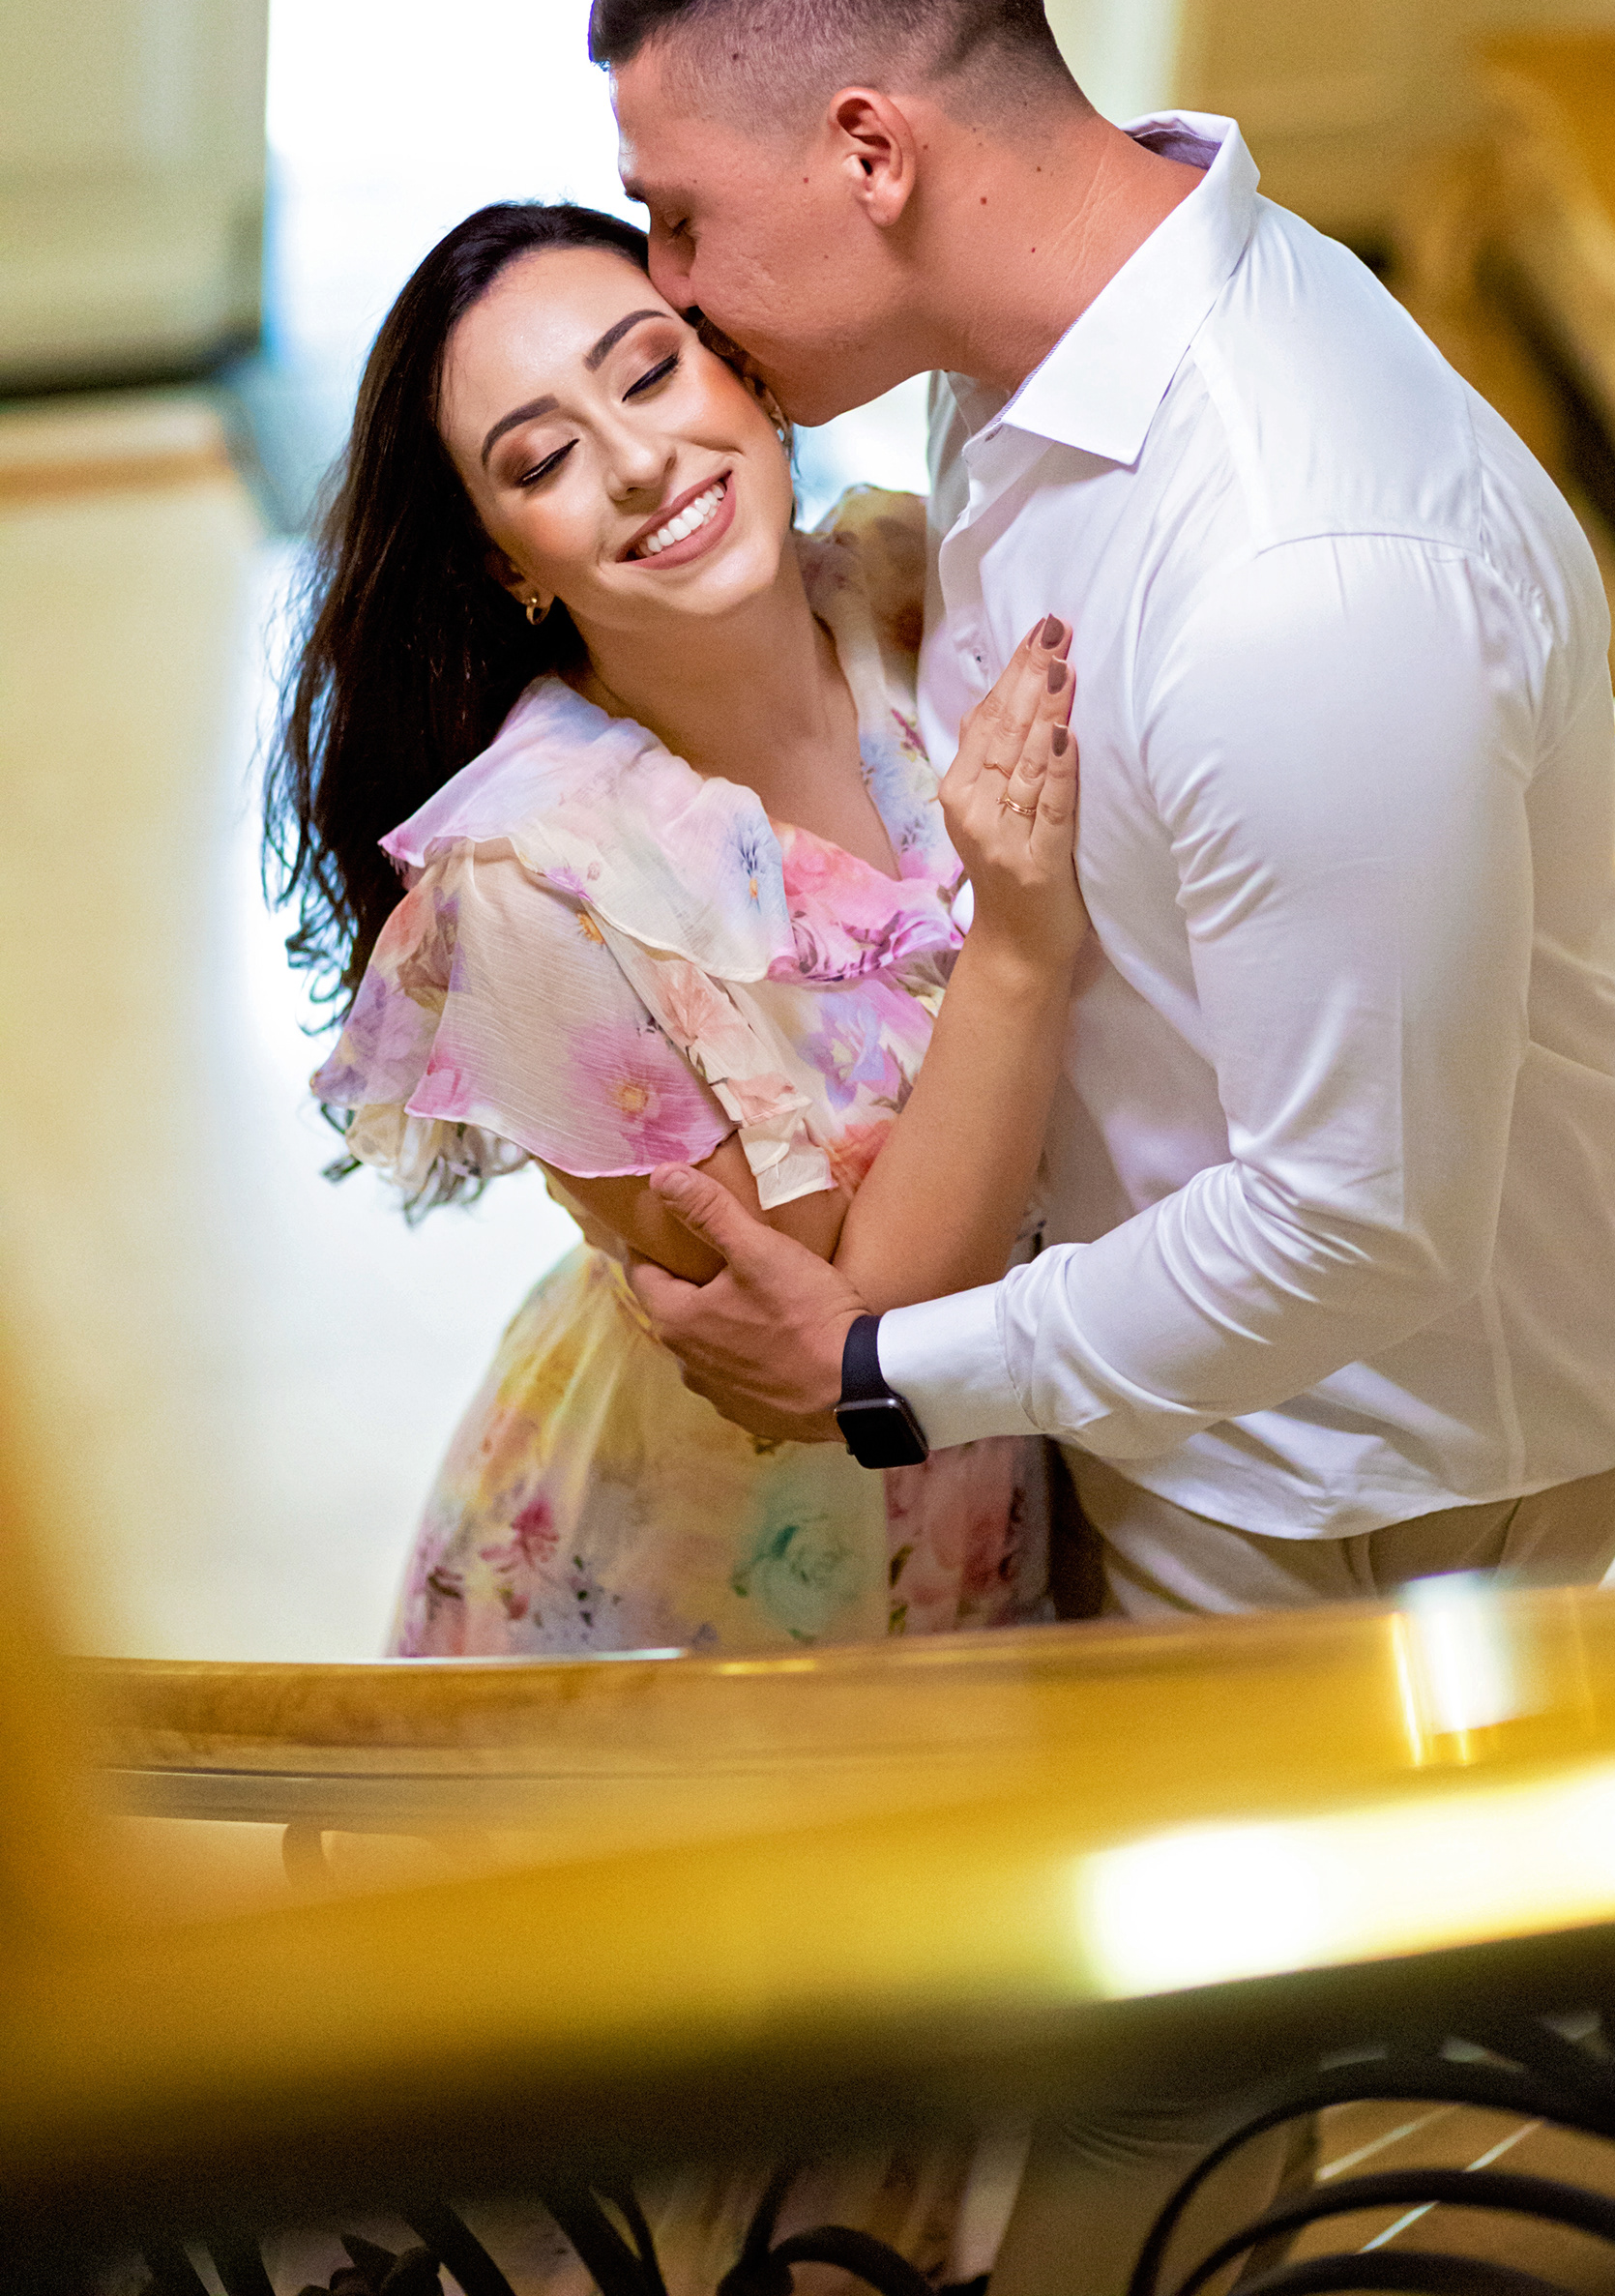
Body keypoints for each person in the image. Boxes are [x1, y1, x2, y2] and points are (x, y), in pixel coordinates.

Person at [565, 0, 1615, 2291]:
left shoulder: (1302, 572)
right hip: (1216, 1365)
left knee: (1157, 2091)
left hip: (1372, 1444)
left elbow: (1355, 1224)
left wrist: (885, 1371)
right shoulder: (1050, 342)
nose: (668, 287)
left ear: (872, 151)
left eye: (678, 219)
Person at [267, 196, 1092, 2287]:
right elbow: (862, 1335)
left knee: (891, 2129)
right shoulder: (536, 885)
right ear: (504, 560)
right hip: (713, 1557)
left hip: (989, 1504)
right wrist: (1020, 949)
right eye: (543, 456)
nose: (640, 461)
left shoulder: (907, 584)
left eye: (651, 369)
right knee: (652, 2140)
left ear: (744, 372)